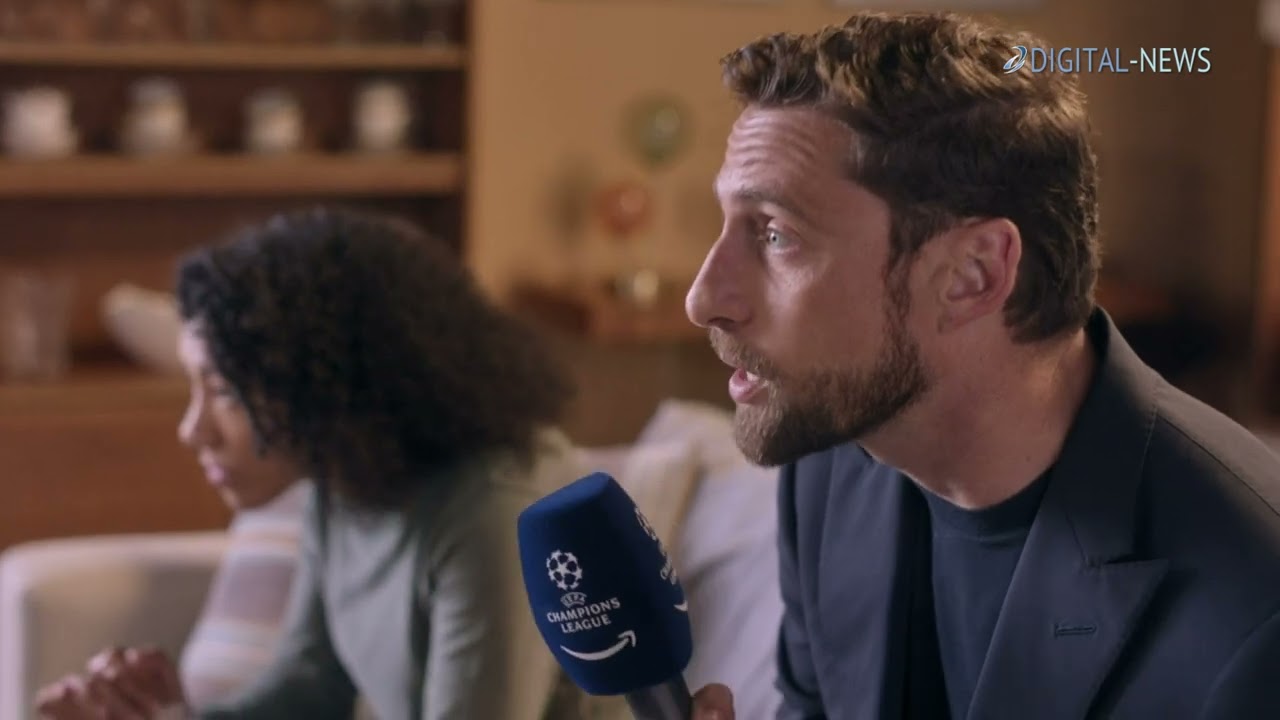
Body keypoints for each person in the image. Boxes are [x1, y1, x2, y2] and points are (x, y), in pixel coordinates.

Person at [685, 11, 1280, 720]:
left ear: (973, 275)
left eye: (776, 234)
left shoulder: (1257, 614)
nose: (702, 298)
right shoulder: (828, 469)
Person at [35, 206, 584, 720]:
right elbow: (310, 689)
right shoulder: (346, 474)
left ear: (323, 385)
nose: (192, 429)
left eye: (223, 391)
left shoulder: (493, 514)